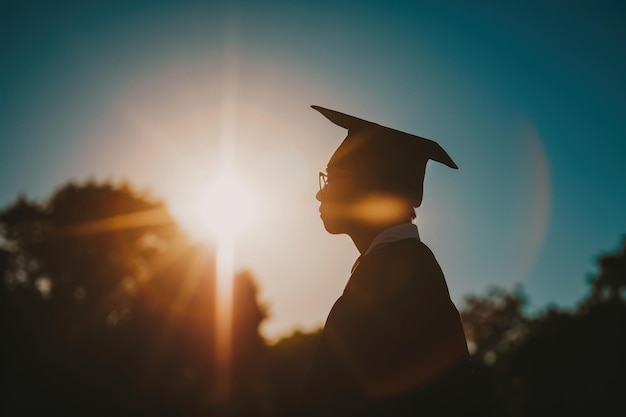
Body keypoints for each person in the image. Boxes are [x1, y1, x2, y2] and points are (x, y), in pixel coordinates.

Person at [300, 106, 476, 416]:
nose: (320, 194)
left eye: (333, 179)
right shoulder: (406, 269)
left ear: (371, 188)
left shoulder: (394, 286)